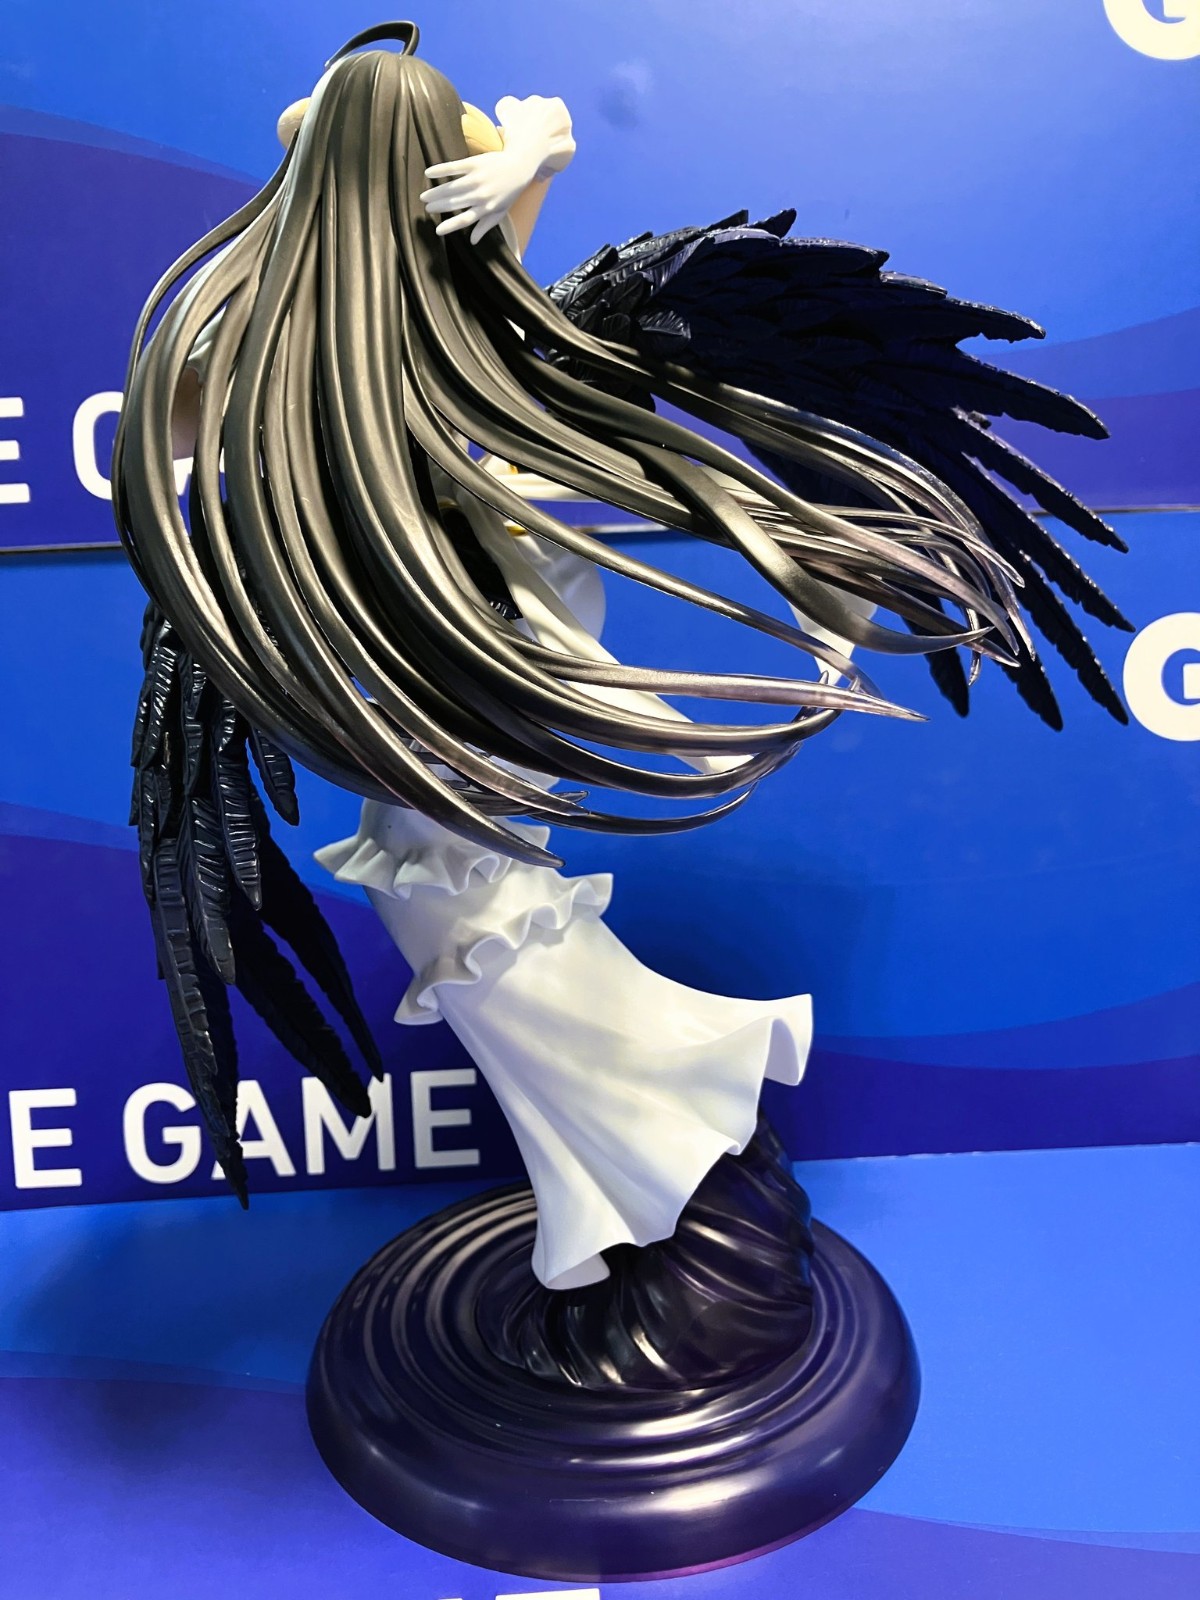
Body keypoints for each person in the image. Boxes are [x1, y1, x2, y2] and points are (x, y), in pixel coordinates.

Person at [114, 23, 1129, 1296]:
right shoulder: (301, 351)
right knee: (470, 930)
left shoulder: (468, 300)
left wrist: (519, 163)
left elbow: (531, 133)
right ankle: (631, 1151)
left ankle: (656, 1138)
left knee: (483, 929)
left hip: (501, 618)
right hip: (441, 653)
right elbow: (184, 426)